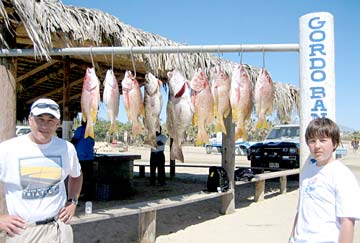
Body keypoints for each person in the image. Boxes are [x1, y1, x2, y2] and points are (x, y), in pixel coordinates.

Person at [0, 98, 83, 243]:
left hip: (58, 229)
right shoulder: (7, 149)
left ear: (58, 123)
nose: (45, 125)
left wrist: (73, 201)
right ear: (30, 120)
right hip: (23, 232)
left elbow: (76, 175)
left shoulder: (67, 148)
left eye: (51, 120)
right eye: (40, 119)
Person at [289, 118, 360, 243]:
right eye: (312, 141)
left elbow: (347, 222)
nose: (317, 146)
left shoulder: (342, 175)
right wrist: (291, 238)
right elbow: (300, 209)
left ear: (335, 143)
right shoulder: (307, 170)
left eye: (323, 140)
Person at [71, 120, 95, 200]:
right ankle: (90, 194)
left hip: (81, 157)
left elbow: (74, 140)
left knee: (80, 177)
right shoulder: (91, 131)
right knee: (89, 177)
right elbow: (92, 143)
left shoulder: (80, 129)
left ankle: (81, 194)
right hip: (90, 157)